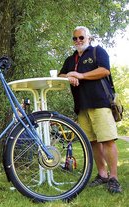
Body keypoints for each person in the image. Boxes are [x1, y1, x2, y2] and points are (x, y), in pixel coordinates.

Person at [59, 26, 121, 193]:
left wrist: (81, 75)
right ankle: (102, 174)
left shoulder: (97, 51)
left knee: (107, 140)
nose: (78, 41)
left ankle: (114, 177)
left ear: (89, 38)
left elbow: (104, 70)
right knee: (92, 142)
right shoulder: (70, 59)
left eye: (81, 37)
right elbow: (59, 75)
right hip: (81, 106)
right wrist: (69, 75)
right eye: (75, 38)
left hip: (100, 102)